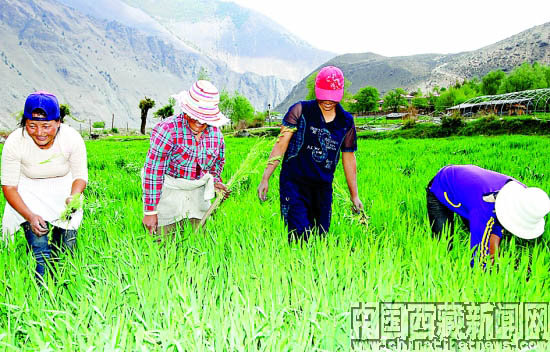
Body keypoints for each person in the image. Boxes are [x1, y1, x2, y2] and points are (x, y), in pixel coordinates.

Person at [257, 66, 363, 241]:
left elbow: (349, 159)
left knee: (320, 236)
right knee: (299, 235)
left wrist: (354, 195)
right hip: (294, 184)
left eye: (333, 96)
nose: (328, 101)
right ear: (316, 90)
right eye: (324, 95)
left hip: (322, 187)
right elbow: (281, 144)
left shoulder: (346, 122)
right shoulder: (300, 111)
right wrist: (265, 177)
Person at [1, 91, 88, 279]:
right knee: (40, 252)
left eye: (46, 126)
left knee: (65, 252)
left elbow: (80, 176)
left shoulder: (72, 139)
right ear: (25, 123)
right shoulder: (15, 142)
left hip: (64, 191)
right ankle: (42, 297)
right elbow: (9, 187)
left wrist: (74, 196)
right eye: (32, 126)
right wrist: (30, 216)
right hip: (28, 194)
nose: (39, 133)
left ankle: (62, 292)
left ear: (58, 122)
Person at [142, 80, 230, 237]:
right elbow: (153, 171)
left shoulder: (216, 136)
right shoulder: (167, 130)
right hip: (169, 194)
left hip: (198, 196)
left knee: (197, 243)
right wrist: (150, 211)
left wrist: (216, 184)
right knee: (163, 243)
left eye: (205, 118)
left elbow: (216, 166)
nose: (199, 121)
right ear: (186, 110)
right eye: (195, 116)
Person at [426, 164, 550, 266]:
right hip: (442, 186)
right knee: (444, 241)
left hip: (468, 190)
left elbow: (498, 226)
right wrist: (483, 270)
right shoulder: (485, 204)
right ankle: (443, 268)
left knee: (487, 234)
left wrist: (494, 257)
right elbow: (478, 251)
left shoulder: (525, 195)